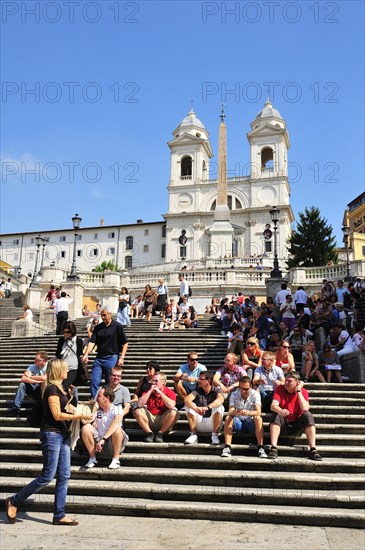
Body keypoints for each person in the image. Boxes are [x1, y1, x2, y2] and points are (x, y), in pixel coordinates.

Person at [5, 359, 93, 525]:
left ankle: (59, 515)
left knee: (64, 475)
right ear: (59, 370)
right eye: (65, 369)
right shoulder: (52, 389)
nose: (68, 371)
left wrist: (82, 406)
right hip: (52, 435)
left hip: (63, 435)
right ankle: (14, 501)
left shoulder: (62, 389)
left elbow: (67, 409)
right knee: (47, 475)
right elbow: (57, 415)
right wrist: (80, 416)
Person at [267, 371, 322, 461]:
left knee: (308, 415)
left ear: (297, 382)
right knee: (276, 414)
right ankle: (273, 448)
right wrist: (281, 410)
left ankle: (313, 450)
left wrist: (299, 391)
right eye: (286, 380)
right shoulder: (279, 389)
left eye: (290, 381)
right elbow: (273, 406)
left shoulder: (303, 391)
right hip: (284, 422)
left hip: (297, 424)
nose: (286, 383)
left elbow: (305, 408)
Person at [82, 306, 128, 399]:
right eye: (101, 315)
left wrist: (122, 357)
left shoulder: (117, 326)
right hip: (99, 357)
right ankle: (95, 401)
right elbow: (92, 342)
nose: (102, 317)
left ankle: (108, 402)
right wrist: (86, 354)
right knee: (94, 381)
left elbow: (125, 342)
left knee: (109, 381)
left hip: (112, 357)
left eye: (104, 315)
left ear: (110, 314)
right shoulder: (98, 327)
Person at [221, 376, 267, 458]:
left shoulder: (255, 394)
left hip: (250, 422)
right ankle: (227, 447)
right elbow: (230, 410)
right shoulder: (234, 394)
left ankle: (261, 447)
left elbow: (258, 412)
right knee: (228, 417)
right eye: (241, 388)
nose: (243, 391)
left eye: (246, 389)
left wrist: (248, 413)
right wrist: (234, 412)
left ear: (251, 387)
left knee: (258, 418)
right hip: (238, 421)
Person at [82, 387, 125, 470]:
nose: (97, 397)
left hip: (112, 442)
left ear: (106, 398)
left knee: (118, 430)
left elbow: (117, 423)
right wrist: (92, 410)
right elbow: (85, 422)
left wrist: (103, 439)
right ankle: (92, 458)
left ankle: (116, 459)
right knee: (86, 428)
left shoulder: (117, 408)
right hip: (98, 442)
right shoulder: (97, 410)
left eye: (99, 396)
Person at [133, 371, 179, 442]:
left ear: (163, 382)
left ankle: (160, 434)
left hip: (163, 420)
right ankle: (149, 433)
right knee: (137, 410)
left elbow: (171, 405)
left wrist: (160, 392)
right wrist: (150, 391)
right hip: (150, 419)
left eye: (156, 381)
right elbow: (139, 404)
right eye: (153, 381)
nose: (154, 383)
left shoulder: (170, 392)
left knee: (174, 411)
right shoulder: (148, 391)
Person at [184, 371, 225, 445]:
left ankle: (215, 435)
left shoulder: (216, 390)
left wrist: (208, 407)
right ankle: (193, 434)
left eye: (201, 379)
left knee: (220, 407)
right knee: (188, 405)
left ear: (208, 381)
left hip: (212, 423)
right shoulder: (197, 390)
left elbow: (221, 399)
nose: (198, 380)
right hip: (200, 422)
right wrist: (196, 408)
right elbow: (187, 399)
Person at [9, 351, 48, 416]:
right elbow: (23, 378)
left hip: (45, 391)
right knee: (22, 385)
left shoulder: (49, 366)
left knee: (44, 384)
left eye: (37, 359)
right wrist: (36, 381)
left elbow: (44, 378)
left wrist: (30, 377)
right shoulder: (33, 366)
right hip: (36, 389)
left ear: (43, 360)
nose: (35, 360)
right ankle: (15, 409)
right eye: (35, 358)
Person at [55, 321, 84, 390]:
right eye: (64, 332)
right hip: (62, 368)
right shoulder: (61, 340)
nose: (65, 334)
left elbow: (80, 354)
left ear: (72, 331)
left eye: (68, 332)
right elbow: (58, 354)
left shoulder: (78, 341)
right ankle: (73, 400)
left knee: (63, 387)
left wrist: (84, 358)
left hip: (73, 368)